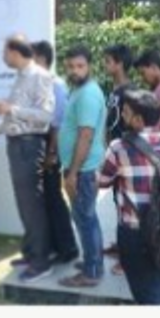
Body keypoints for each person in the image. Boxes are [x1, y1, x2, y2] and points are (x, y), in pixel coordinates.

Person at [0, 36, 55, 282]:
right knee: (24, 204)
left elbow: (44, 117)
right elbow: (13, 118)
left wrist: (11, 109)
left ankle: (42, 261)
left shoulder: (40, 76)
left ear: (14, 52)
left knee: (32, 205)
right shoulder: (21, 77)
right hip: (17, 146)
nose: (2, 57)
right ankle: (32, 253)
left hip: (29, 147)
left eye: (4, 52)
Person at [98, 90, 160, 305]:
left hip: (133, 230)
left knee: (142, 288)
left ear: (138, 119)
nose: (122, 116)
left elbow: (102, 181)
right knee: (156, 278)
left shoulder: (118, 147)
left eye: (125, 112)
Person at [56, 46, 108, 290]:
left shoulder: (87, 94)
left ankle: (92, 272)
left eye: (80, 66)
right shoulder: (79, 90)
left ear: (89, 67)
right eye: (71, 66)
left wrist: (73, 173)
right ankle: (93, 261)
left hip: (83, 170)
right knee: (87, 218)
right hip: (82, 168)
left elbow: (85, 135)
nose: (75, 71)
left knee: (85, 219)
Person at [30, 40, 80, 267]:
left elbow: (57, 125)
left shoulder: (55, 85)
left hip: (52, 148)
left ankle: (67, 248)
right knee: (43, 199)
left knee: (53, 197)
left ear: (42, 59)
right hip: (40, 146)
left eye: (31, 57)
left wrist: (51, 154)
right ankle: (51, 246)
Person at [103, 44, 133, 146]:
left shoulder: (130, 92)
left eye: (108, 61)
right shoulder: (113, 89)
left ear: (119, 64)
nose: (104, 65)